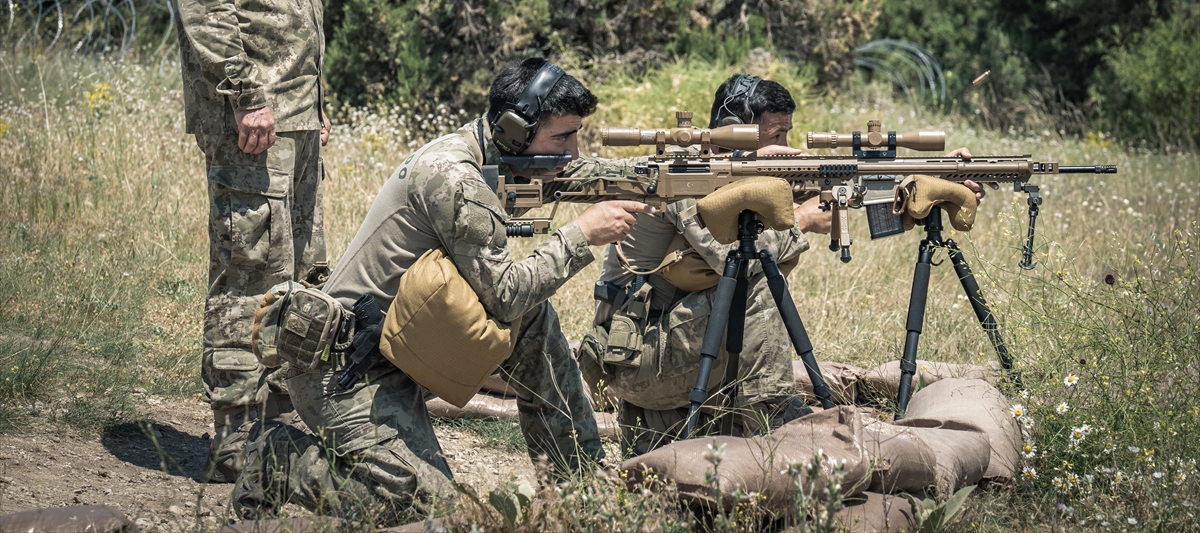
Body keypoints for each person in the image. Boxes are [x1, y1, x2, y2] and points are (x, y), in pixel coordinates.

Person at [231, 58, 655, 524]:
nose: (573, 152)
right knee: (425, 510)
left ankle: (579, 492)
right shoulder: (455, 178)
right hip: (346, 370)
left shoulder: (493, 151)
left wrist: (666, 174)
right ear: (515, 131)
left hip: (404, 344)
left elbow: (582, 172)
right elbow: (505, 295)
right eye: (563, 138)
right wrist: (582, 234)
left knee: (534, 321)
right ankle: (278, 458)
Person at [588, 74, 989, 455]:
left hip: (672, 357)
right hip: (637, 362)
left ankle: (762, 415)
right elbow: (733, 256)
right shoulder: (687, 173)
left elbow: (845, 189)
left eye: (788, 134)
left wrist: (932, 178)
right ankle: (774, 415)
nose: (788, 148)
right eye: (776, 136)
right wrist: (803, 219)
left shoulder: (743, 174)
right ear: (734, 134)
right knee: (752, 280)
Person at [166, 0, 329, 481]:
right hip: (254, 123)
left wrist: (312, 105)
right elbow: (208, 7)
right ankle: (236, 445)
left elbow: (285, 9)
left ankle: (276, 426)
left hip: (292, 119)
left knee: (297, 277)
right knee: (248, 277)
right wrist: (247, 97)